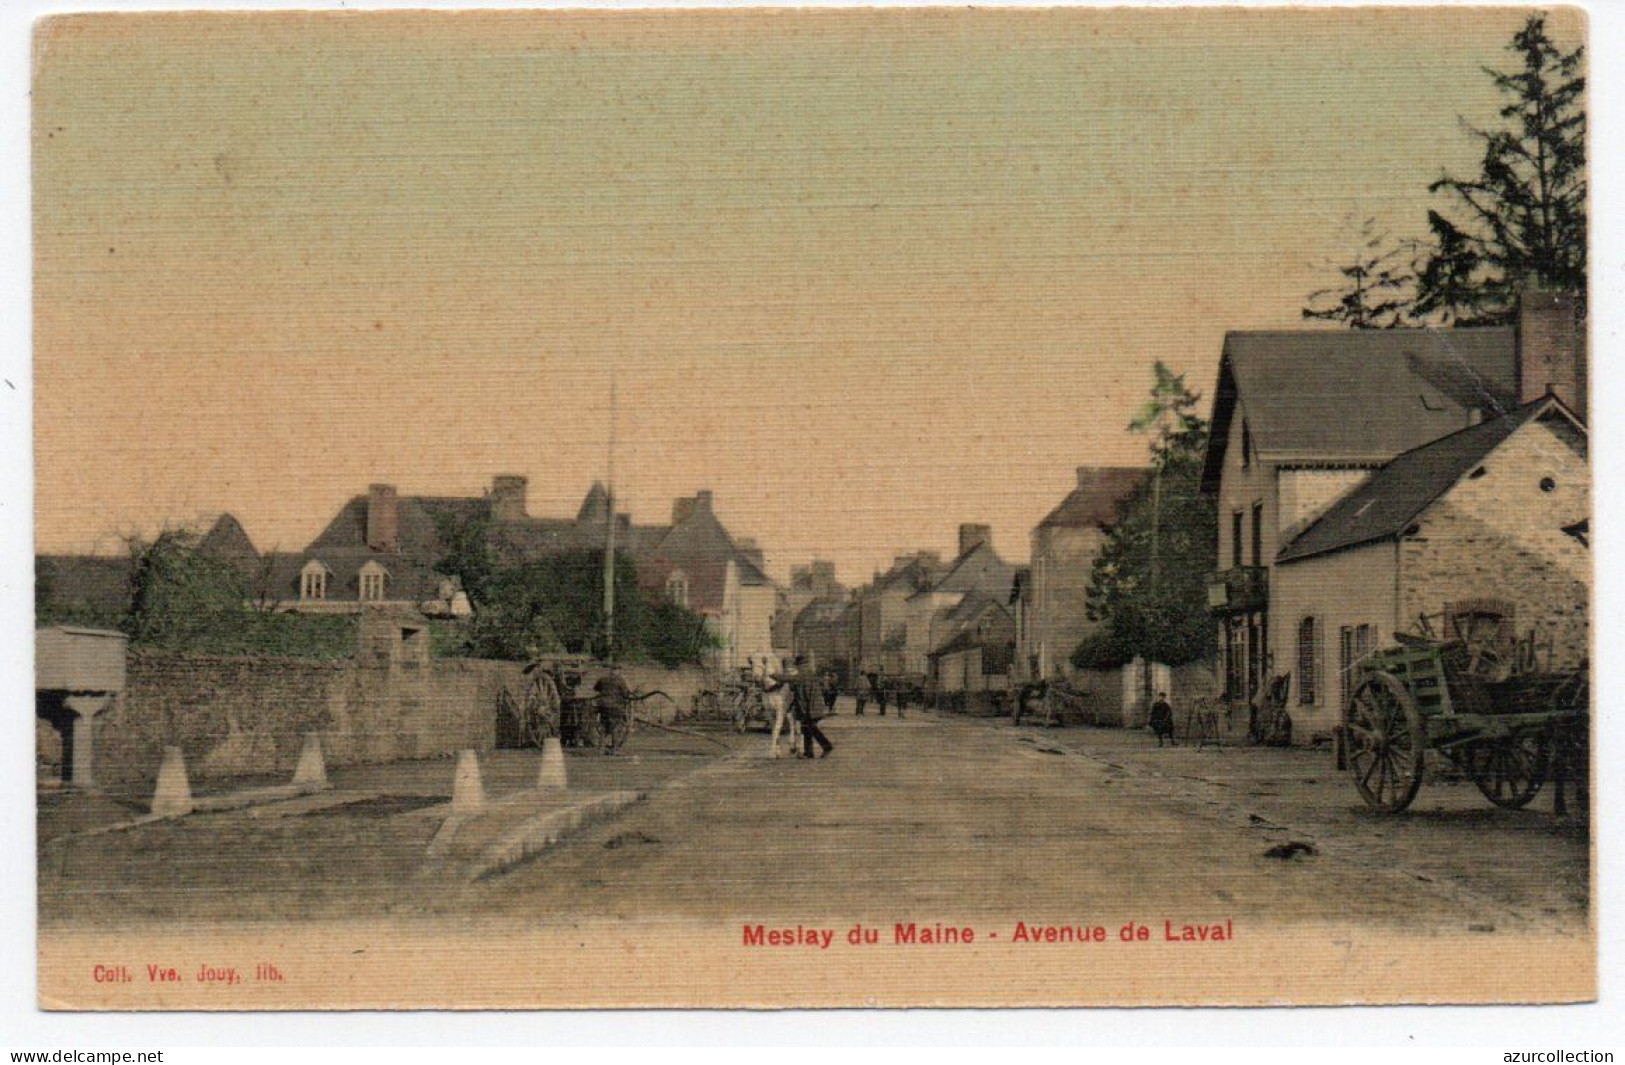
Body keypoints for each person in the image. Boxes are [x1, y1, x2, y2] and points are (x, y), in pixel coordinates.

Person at [792, 655, 834, 759]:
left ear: (800, 665)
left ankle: (827, 746)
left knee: (811, 729)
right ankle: (809, 753)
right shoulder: (809, 674)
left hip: (810, 708)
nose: (797, 668)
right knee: (807, 729)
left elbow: (786, 679)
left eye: (798, 666)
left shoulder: (803, 674)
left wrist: (770, 673)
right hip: (811, 708)